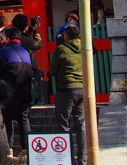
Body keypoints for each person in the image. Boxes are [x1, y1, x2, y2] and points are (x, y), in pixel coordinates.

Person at [0, 27, 35, 157]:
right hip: (25, 90)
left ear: (7, 38)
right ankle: (26, 148)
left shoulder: (3, 52)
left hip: (9, 91)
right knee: (23, 119)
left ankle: (9, 148)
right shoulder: (27, 52)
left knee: (7, 118)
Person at [51, 25, 84, 165]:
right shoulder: (85, 47)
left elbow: (53, 71)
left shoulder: (61, 49)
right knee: (81, 125)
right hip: (83, 89)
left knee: (63, 123)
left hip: (66, 89)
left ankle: (66, 159)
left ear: (66, 36)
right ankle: (83, 160)